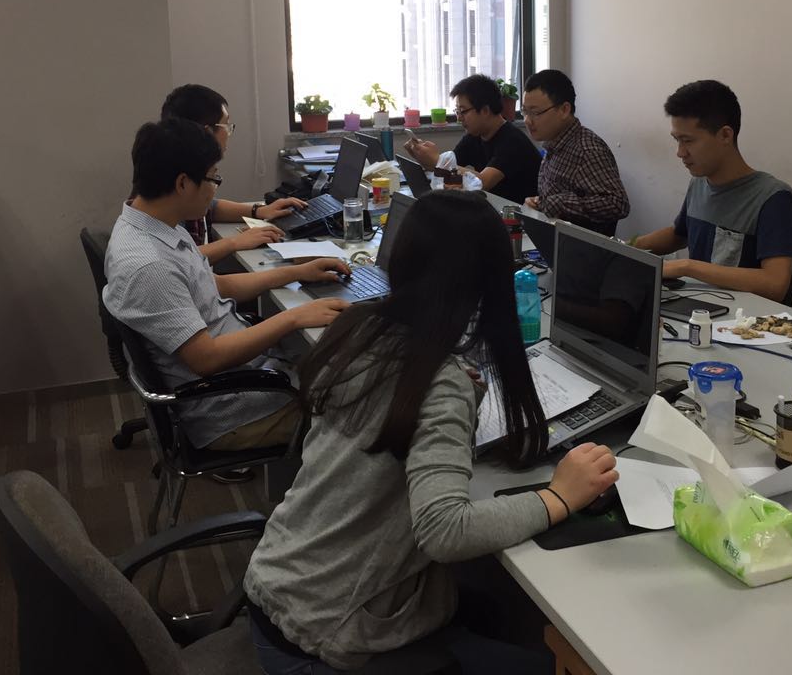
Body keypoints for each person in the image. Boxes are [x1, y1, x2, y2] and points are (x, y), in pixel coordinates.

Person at [244, 190, 619, 674]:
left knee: (494, 609)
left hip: (280, 583)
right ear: (490, 282)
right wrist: (558, 497)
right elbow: (445, 531)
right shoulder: (439, 381)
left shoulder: (357, 327)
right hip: (328, 632)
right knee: (539, 659)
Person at [104, 118, 351, 451]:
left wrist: (297, 272)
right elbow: (207, 359)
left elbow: (214, 285)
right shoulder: (150, 265)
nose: (216, 188)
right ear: (182, 183)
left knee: (345, 361)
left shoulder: (153, 226)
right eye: (213, 178)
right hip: (233, 409)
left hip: (248, 374)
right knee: (364, 402)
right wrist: (293, 317)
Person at [633, 80, 792, 304]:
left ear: (725, 135)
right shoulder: (699, 183)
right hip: (699, 310)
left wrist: (687, 266)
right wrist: (627, 247)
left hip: (745, 320)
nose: (680, 152)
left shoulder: (773, 198)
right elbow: (679, 234)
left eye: (688, 141)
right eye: (677, 140)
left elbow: (775, 284)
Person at [159, 84, 306, 265]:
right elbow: (175, 260)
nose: (229, 132)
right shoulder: (172, 184)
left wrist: (259, 211)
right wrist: (234, 242)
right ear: (207, 132)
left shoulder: (183, 169)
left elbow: (210, 207)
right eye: (226, 125)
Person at [520, 69, 629, 236]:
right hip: (553, 238)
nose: (527, 120)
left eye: (535, 113)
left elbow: (618, 204)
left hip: (580, 247)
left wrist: (558, 203)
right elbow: (554, 197)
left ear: (564, 110)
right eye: (525, 112)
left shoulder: (587, 149)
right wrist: (538, 202)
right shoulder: (554, 143)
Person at [404, 74, 541, 204]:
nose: (459, 118)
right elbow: (451, 171)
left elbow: (483, 182)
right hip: (491, 208)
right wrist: (424, 159)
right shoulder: (474, 136)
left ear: (485, 110)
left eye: (463, 111)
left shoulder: (512, 141)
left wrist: (437, 161)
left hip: (518, 215)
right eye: (457, 111)